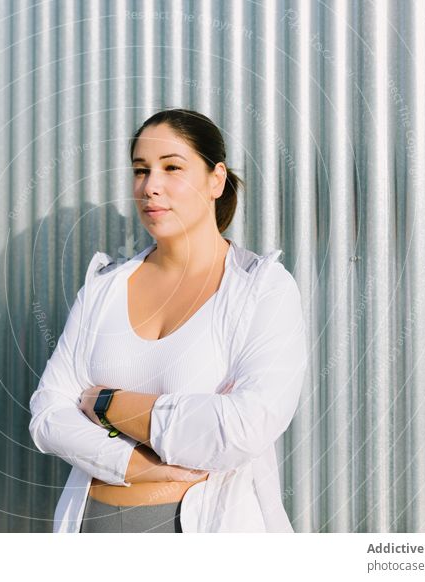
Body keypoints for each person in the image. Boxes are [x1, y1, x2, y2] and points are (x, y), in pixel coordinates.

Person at [29, 108, 307, 533]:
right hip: (91, 527)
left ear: (216, 179)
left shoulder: (261, 289)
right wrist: (134, 463)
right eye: (141, 171)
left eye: (172, 167)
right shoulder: (104, 288)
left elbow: (242, 428)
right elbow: (48, 415)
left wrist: (106, 404)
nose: (150, 186)